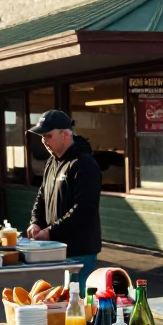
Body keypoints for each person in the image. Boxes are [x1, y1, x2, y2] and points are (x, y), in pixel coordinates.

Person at [26, 110, 102, 293]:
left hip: (79, 251)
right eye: (42, 136)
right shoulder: (52, 162)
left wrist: (51, 231)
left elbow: (83, 209)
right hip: (55, 248)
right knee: (59, 306)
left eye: (48, 136)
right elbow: (42, 197)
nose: (44, 141)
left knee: (80, 307)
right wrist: (36, 222)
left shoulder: (85, 164)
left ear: (65, 134)